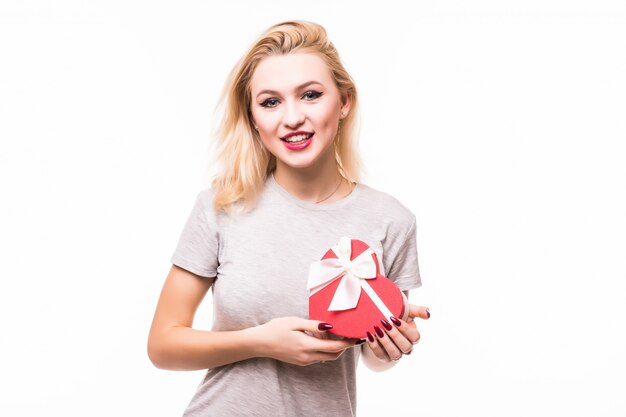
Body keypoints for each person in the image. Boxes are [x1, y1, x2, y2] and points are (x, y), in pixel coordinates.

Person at [147, 20, 430, 417]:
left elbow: (374, 358)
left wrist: (390, 347)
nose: (292, 117)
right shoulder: (221, 207)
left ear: (344, 101)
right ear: (252, 118)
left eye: (310, 95)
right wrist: (261, 341)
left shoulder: (390, 220)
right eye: (270, 102)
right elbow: (163, 345)